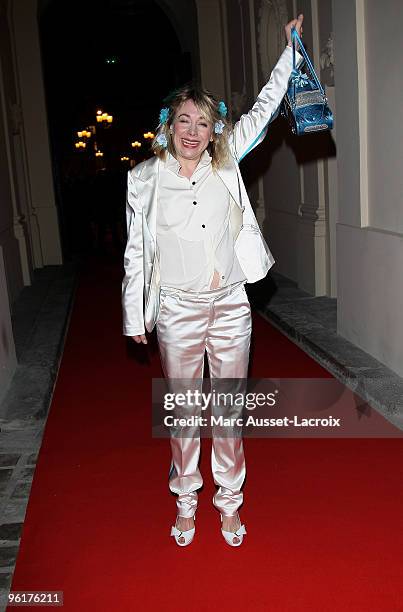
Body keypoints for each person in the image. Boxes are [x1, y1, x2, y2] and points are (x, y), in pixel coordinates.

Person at [122, 14, 304, 546]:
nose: (193, 133)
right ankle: (184, 501)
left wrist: (290, 52)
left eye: (203, 123)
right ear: (169, 124)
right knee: (183, 416)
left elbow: (266, 108)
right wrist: (137, 314)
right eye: (184, 121)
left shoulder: (227, 163)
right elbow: (137, 253)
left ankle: (228, 503)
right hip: (176, 308)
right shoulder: (144, 180)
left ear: (213, 128)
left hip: (230, 306)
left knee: (227, 413)